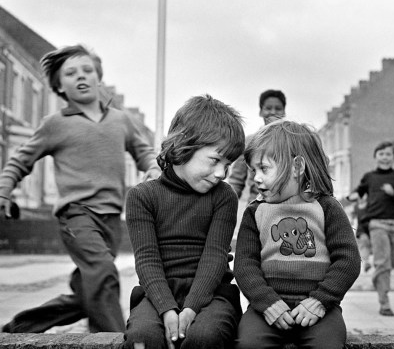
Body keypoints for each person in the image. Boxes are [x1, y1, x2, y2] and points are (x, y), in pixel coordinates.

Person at [0, 44, 160, 333]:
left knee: (89, 292)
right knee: (103, 273)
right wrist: (4, 190)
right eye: (70, 73)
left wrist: (153, 167)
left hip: (111, 218)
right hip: (76, 215)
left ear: (99, 78)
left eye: (87, 70)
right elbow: (20, 160)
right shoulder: (55, 125)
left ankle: (19, 328)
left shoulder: (120, 120)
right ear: (59, 85)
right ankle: (111, 339)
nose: (81, 76)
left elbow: (144, 152)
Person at [123, 95, 245, 349]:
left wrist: (190, 309)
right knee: (143, 340)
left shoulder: (224, 196)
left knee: (203, 338)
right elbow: (146, 260)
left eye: (228, 164)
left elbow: (215, 257)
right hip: (157, 294)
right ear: (183, 146)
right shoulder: (142, 196)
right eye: (215, 160)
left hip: (212, 296)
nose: (222, 173)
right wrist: (167, 309)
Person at [234, 120, 361, 349]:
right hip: (267, 310)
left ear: (297, 167)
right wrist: (266, 302)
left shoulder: (327, 207)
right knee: (248, 344)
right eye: (254, 170)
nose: (256, 178)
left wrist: (320, 301)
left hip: (318, 310)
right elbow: (245, 264)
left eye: (264, 168)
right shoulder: (255, 212)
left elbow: (348, 260)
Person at [348, 140, 394, 316]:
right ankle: (384, 303)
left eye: (388, 154)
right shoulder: (369, 177)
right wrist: (353, 196)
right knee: (383, 263)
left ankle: (378, 275)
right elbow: (358, 191)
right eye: (381, 154)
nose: (385, 157)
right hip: (376, 223)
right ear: (376, 156)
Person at [228, 89, 286, 203]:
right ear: (261, 112)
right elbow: (236, 180)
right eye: (268, 108)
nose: (273, 112)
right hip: (256, 207)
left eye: (278, 108)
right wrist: (227, 206)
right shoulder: (249, 141)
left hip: (287, 208)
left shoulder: (294, 140)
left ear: (284, 112)